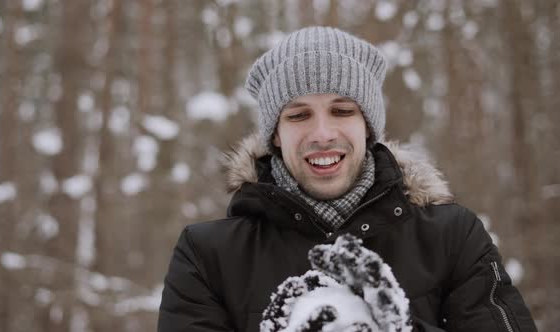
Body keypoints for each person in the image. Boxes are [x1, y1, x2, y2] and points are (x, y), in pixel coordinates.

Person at [158, 26, 537, 332]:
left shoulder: (453, 237)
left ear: (367, 126)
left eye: (342, 110)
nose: (322, 133)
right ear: (275, 134)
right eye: (298, 115)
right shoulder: (208, 255)